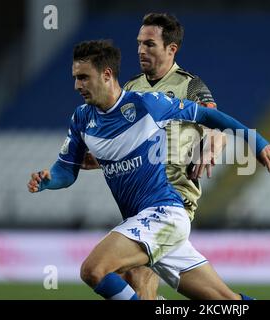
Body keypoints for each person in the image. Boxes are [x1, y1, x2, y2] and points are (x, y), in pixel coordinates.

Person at [27, 40, 270, 300]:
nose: (77, 86)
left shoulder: (147, 105)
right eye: (75, 78)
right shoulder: (81, 118)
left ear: (107, 74)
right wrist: (49, 180)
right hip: (145, 223)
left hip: (163, 214)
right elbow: (66, 171)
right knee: (227, 302)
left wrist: (256, 142)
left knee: (94, 270)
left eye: (83, 78)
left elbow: (206, 115)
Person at [80, 13, 224, 300]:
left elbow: (215, 122)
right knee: (215, 297)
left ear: (171, 49)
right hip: (140, 200)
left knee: (122, 273)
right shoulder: (131, 89)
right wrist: (97, 158)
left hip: (172, 196)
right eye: (138, 43)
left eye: (149, 44)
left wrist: (211, 145)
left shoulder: (189, 85)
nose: (140, 50)